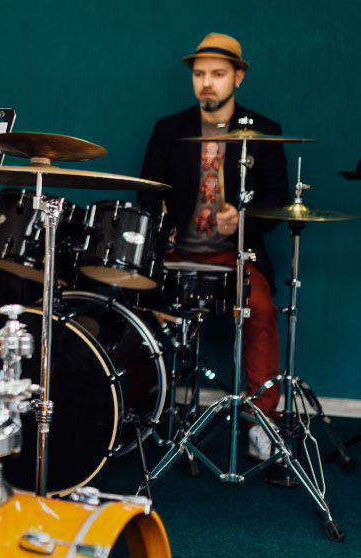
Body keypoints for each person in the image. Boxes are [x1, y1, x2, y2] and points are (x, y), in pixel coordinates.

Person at [138, 32, 290, 460]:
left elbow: (277, 202)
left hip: (236, 253)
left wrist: (243, 219)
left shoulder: (265, 131)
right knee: (128, 301)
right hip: (174, 253)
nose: (207, 82)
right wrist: (161, 230)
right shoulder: (169, 130)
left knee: (260, 311)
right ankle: (136, 410)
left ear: (238, 77)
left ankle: (263, 419)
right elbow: (147, 192)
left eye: (218, 74)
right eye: (200, 74)